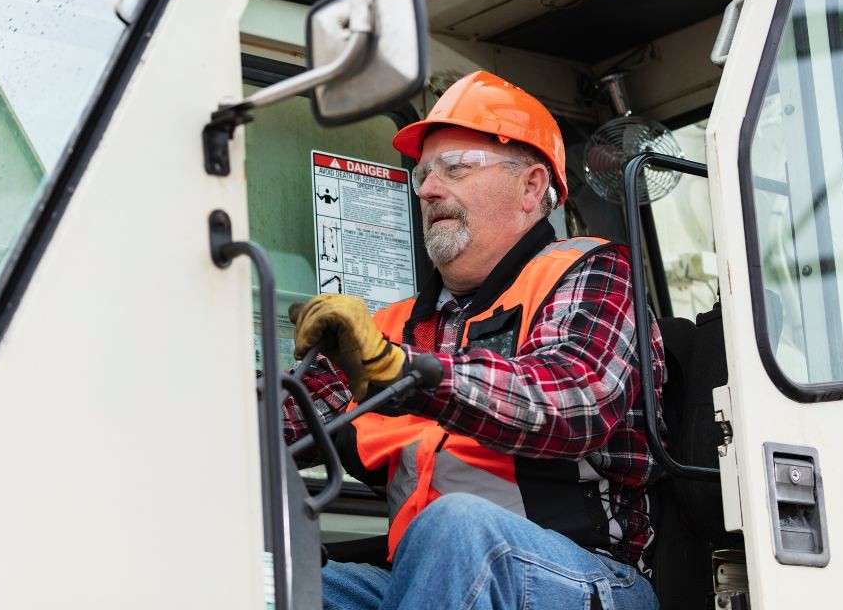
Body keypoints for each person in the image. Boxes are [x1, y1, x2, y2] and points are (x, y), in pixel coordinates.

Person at [285, 70, 666, 610]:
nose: (429, 188)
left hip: (587, 577)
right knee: (269, 582)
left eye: (456, 168)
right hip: (427, 577)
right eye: (423, 175)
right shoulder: (389, 329)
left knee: (457, 526)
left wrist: (405, 372)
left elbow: (573, 399)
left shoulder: (591, 272)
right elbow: (285, 411)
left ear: (532, 187)